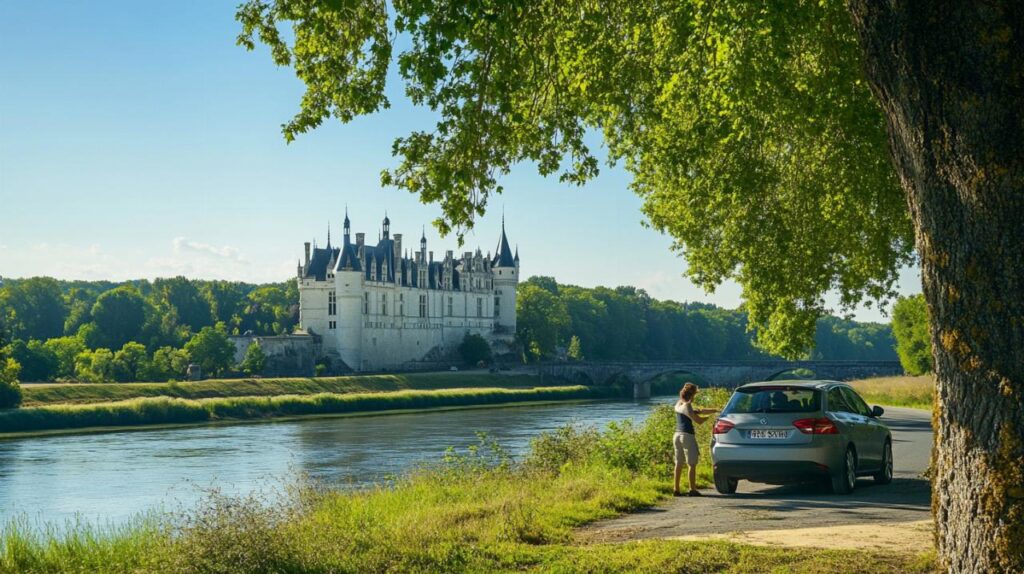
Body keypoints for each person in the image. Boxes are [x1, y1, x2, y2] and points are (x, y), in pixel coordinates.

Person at [673, 382, 717, 497]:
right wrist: (709, 418)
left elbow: (698, 411)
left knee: (678, 463)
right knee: (691, 464)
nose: (694, 397)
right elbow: (699, 420)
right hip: (687, 436)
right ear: (691, 395)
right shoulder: (687, 406)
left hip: (677, 436)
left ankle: (676, 489)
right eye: (694, 395)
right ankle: (692, 489)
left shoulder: (679, 404)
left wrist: (714, 410)